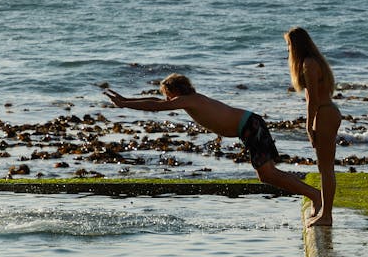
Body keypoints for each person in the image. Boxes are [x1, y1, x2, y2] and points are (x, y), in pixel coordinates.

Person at [103, 73, 322, 213]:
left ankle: (315, 196)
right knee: (267, 175)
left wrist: (125, 104)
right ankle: (313, 195)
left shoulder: (190, 100)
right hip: (249, 127)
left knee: (268, 174)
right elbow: (157, 103)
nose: (168, 100)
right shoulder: (191, 101)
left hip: (251, 126)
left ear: (176, 91)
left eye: (168, 94)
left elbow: (156, 106)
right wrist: (125, 101)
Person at [285, 27, 341, 226]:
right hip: (328, 112)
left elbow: (313, 101)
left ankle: (326, 215)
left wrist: (308, 126)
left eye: (289, 45)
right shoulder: (314, 61)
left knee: (326, 169)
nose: (288, 49)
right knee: (324, 167)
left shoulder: (309, 64)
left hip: (324, 113)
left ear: (296, 45)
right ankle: (326, 213)